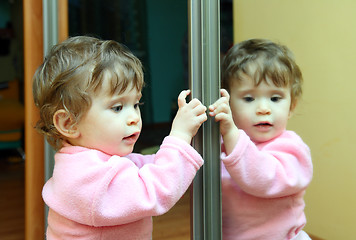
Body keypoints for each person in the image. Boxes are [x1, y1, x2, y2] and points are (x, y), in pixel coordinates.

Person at [33, 36, 207, 240]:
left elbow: (147, 168)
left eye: (136, 105)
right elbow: (155, 190)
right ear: (68, 124)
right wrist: (179, 136)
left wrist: (185, 146)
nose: (134, 117)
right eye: (117, 107)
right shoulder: (88, 179)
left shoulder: (90, 162)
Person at [209, 39, 313, 240]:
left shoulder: (292, 150)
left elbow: (262, 178)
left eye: (275, 98)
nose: (263, 108)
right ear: (228, 103)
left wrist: (231, 134)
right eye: (249, 98)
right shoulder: (220, 149)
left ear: (291, 106)